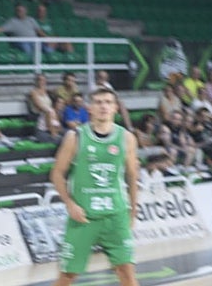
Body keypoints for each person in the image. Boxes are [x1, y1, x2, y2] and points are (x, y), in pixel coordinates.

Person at [49, 87, 139, 286]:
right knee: (68, 275)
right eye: (98, 102)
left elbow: (132, 176)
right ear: (89, 108)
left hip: (115, 215)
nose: (103, 106)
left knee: (127, 272)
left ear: (115, 107)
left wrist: (133, 209)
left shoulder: (127, 138)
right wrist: (69, 203)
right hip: (84, 217)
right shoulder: (75, 137)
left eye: (107, 102)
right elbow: (56, 173)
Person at [28, 73, 62, 142]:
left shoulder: (47, 92)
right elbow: (39, 106)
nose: (41, 82)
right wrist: (50, 111)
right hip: (37, 114)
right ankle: (53, 133)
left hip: (48, 114)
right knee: (48, 112)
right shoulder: (33, 92)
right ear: (36, 81)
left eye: (43, 80)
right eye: (39, 80)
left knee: (55, 111)